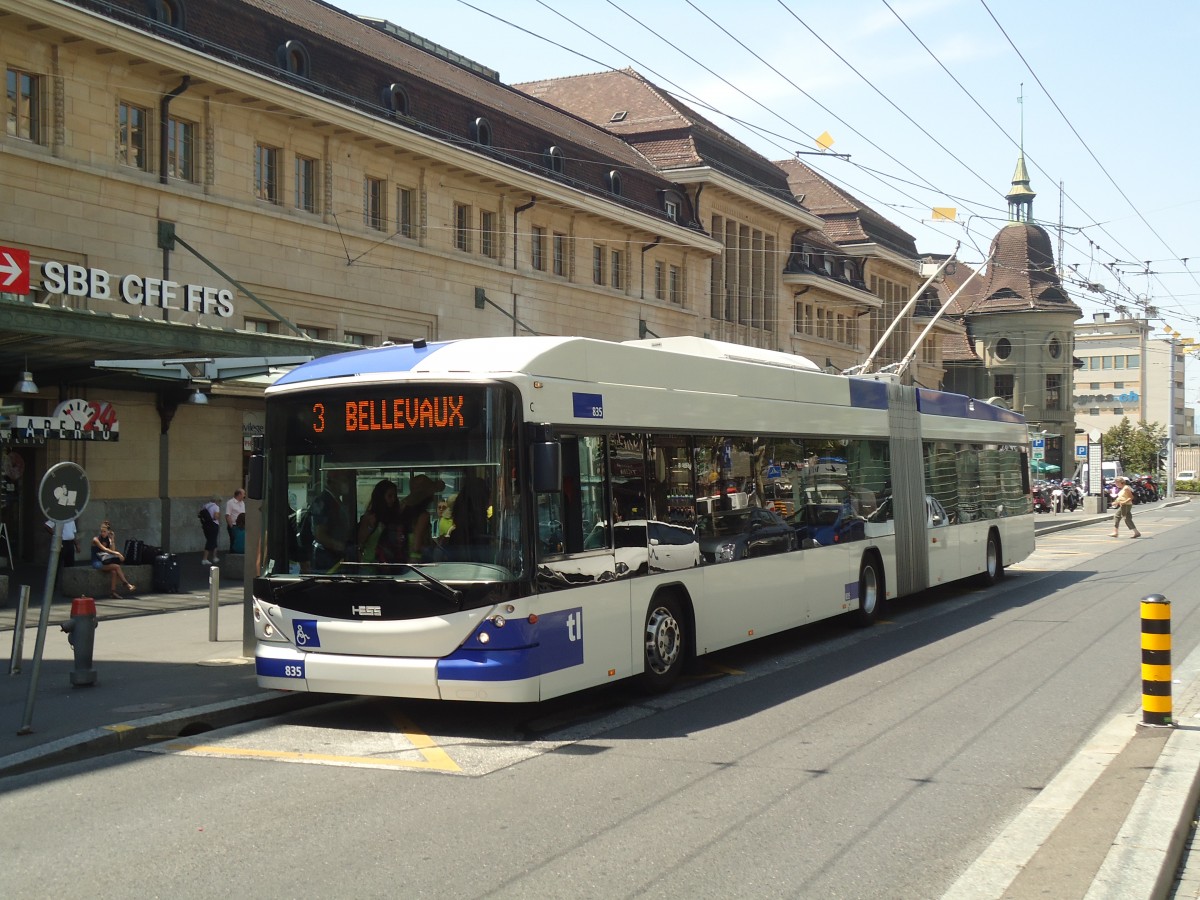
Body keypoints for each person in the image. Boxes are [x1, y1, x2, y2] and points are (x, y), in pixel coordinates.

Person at [310, 469, 356, 572]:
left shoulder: (337, 500)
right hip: (326, 563)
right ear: (333, 481)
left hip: (336, 560)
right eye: (344, 480)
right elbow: (320, 535)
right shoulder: (323, 501)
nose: (347, 483)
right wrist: (341, 547)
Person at [356, 479, 405, 566]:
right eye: (389, 496)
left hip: (392, 563)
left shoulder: (396, 516)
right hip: (370, 563)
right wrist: (370, 527)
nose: (393, 499)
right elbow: (360, 540)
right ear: (381, 497)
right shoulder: (371, 517)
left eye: (395, 496)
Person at [397, 474, 445, 562]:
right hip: (416, 562)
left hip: (401, 558)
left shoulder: (402, 509)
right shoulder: (423, 516)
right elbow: (416, 545)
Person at [91, 520, 135, 597]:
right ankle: (127, 584)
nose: (102, 533)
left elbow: (112, 550)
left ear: (108, 532)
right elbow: (105, 549)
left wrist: (112, 540)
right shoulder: (96, 539)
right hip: (97, 562)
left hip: (105, 561)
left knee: (114, 572)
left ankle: (113, 592)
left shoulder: (108, 539)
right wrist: (118, 553)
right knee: (117, 566)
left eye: (104, 531)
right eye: (101, 531)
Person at [1110, 475, 1141, 539]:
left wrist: (1124, 502)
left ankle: (1115, 532)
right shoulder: (1122, 489)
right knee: (1127, 519)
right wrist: (1116, 502)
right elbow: (1121, 497)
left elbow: (1131, 497)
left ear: (1121, 482)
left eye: (1117, 483)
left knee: (1117, 516)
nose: (1116, 484)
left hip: (1126, 505)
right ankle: (1136, 532)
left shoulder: (1126, 488)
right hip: (1124, 505)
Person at [199, 495, 221, 566]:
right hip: (213, 525)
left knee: (212, 540)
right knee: (211, 541)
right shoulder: (216, 507)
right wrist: (218, 516)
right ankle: (205, 559)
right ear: (217, 500)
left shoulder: (205, 505)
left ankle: (215, 557)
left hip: (206, 525)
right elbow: (216, 517)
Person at [224, 488, 246, 552]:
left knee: (240, 541)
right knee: (233, 542)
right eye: (243, 494)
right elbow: (227, 515)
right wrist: (231, 527)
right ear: (239, 494)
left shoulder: (242, 503)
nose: (244, 495)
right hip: (234, 525)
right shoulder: (230, 502)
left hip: (242, 526)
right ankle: (232, 557)